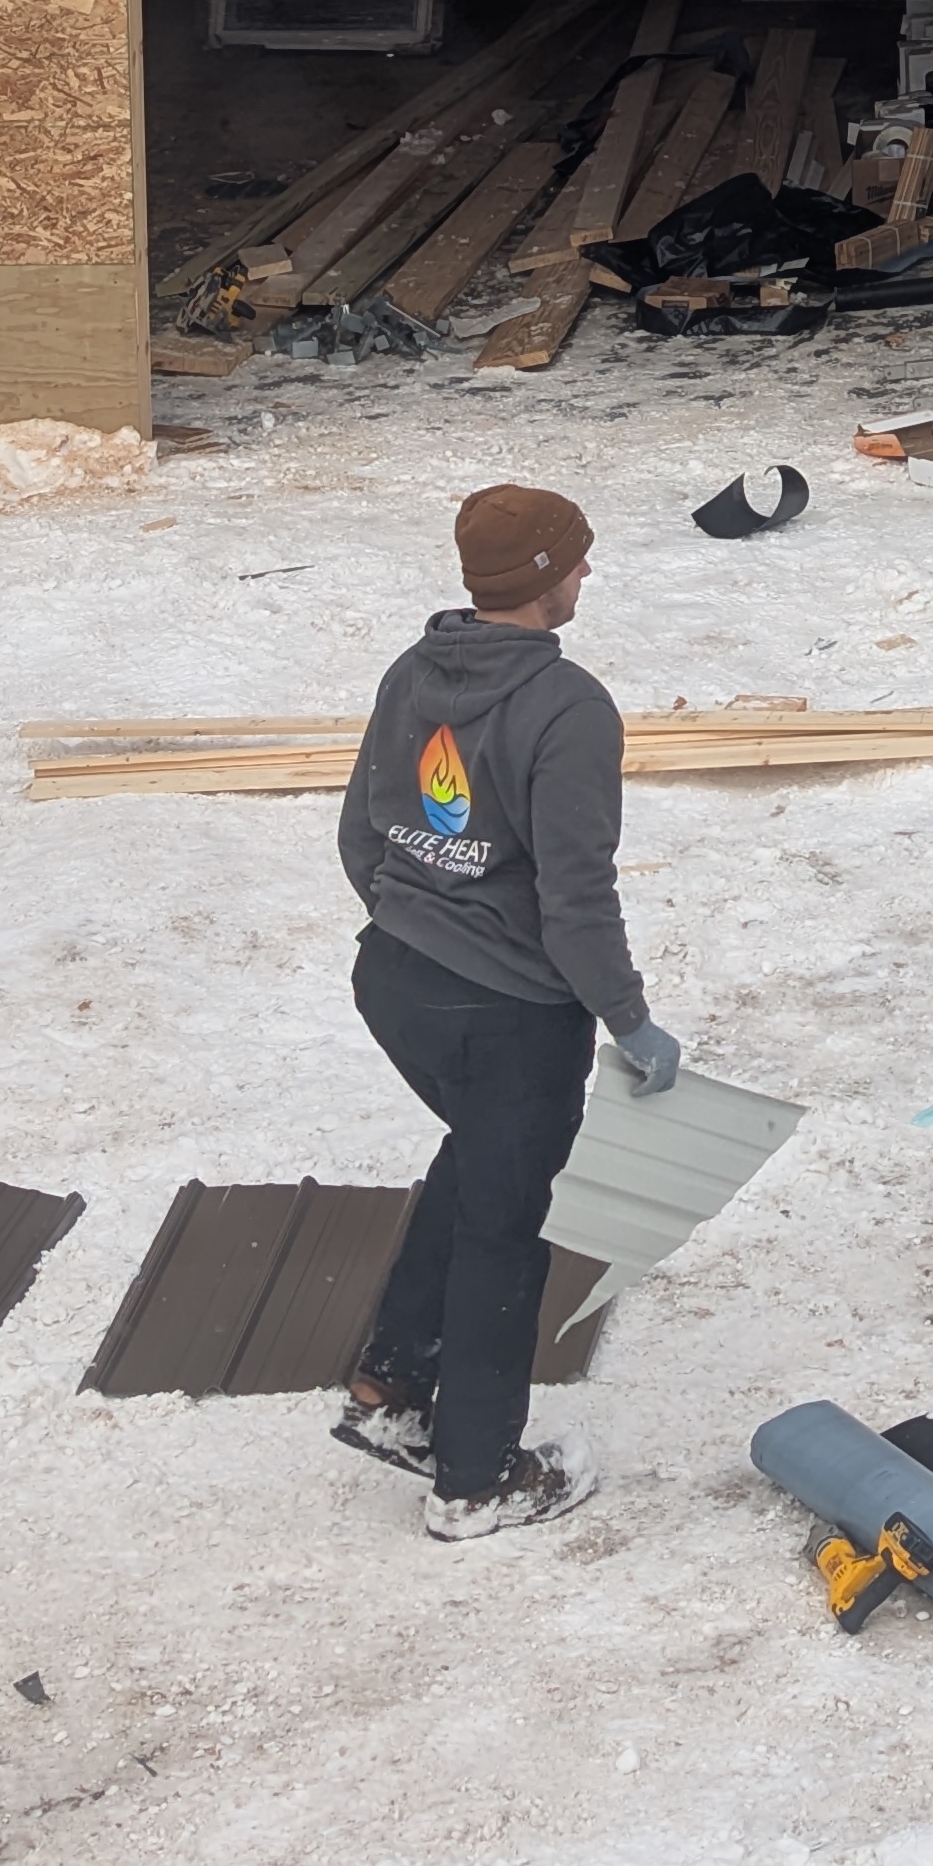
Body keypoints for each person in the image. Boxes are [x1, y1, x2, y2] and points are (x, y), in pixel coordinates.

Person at [329, 478, 677, 1540]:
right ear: (542, 580)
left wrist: (422, 922)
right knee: (503, 1230)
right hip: (511, 1017)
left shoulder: (413, 672)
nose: (586, 575)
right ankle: (475, 1479)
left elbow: (362, 835)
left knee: (476, 1160)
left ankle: (393, 1385)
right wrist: (629, 1019)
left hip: (394, 982)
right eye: (578, 561)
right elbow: (576, 901)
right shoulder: (566, 711)